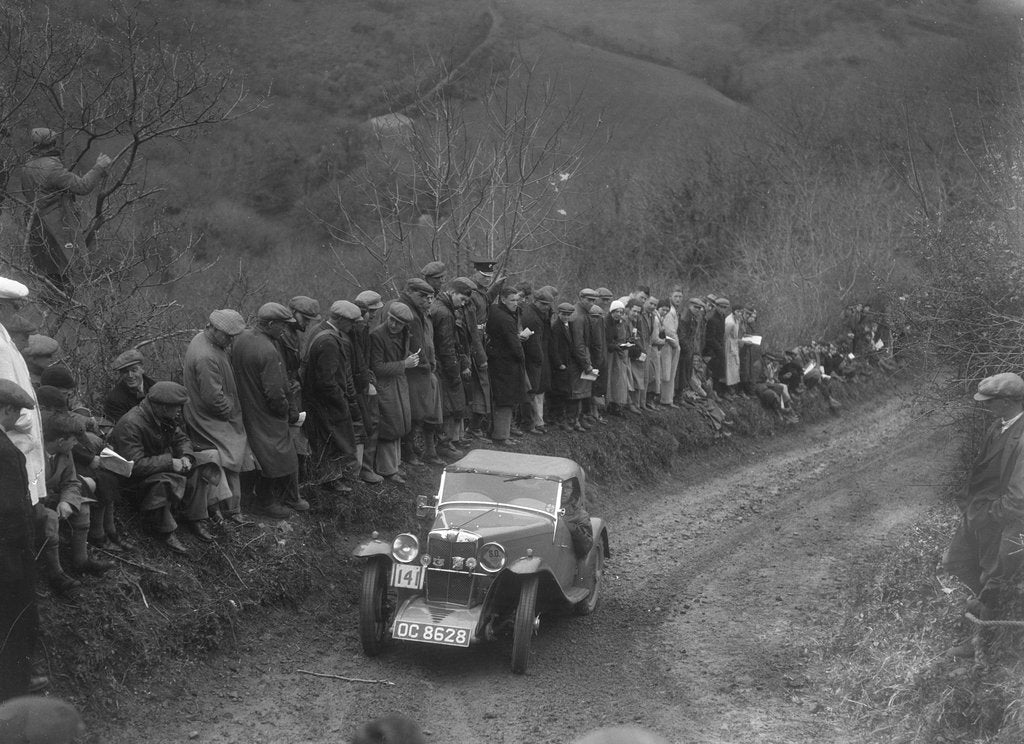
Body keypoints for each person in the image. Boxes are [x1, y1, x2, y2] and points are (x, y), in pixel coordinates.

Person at [943, 373, 1024, 657]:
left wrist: (988, 516)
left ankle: (983, 645)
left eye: (990, 402)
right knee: (954, 561)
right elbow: (980, 473)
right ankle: (987, 606)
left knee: (994, 579)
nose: (986, 406)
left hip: (1008, 520)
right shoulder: (998, 426)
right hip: (982, 512)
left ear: (1005, 402)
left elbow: (1018, 499)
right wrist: (969, 506)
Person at [111, 382, 220, 553]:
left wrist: (186, 457)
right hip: (135, 482)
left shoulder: (163, 417)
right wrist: (170, 462)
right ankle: (165, 531)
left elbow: (181, 439)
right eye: (176, 407)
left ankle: (195, 518)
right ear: (162, 407)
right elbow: (134, 466)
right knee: (164, 482)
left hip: (156, 467)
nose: (179, 411)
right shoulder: (130, 424)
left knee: (200, 465)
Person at [19, 127, 112, 291]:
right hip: (58, 225)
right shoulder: (51, 168)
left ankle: (54, 307)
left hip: (36, 226)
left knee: (51, 271)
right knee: (74, 268)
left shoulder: (27, 167)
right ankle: (75, 306)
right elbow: (83, 187)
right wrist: (99, 167)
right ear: (51, 144)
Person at [182, 309, 252, 526]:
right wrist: (229, 411)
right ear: (212, 328)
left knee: (230, 456)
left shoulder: (207, 341)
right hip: (211, 416)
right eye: (228, 335)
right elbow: (213, 398)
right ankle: (232, 511)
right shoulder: (206, 356)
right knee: (230, 458)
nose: (231, 340)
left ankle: (226, 509)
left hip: (211, 413)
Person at [231, 303, 301, 518]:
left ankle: (249, 498)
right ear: (270, 324)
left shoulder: (241, 338)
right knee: (277, 454)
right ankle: (267, 502)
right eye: (281, 326)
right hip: (265, 412)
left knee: (255, 455)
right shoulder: (268, 350)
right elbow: (275, 392)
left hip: (245, 407)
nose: (284, 330)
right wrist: (286, 412)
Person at [0, 380, 42, 700]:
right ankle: (15, 686)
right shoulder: (4, 451)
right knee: (16, 615)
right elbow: (12, 506)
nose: (17, 418)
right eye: (16, 411)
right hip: (9, 550)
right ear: (5, 409)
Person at [41, 411, 114, 575]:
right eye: (74, 440)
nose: (76, 444)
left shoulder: (64, 452)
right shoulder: (33, 455)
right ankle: (56, 573)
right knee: (50, 519)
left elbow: (72, 481)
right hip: (35, 502)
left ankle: (81, 561)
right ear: (60, 441)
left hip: (53, 496)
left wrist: (66, 501)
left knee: (82, 504)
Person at [303, 300, 364, 495]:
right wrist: (340, 401)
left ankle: (330, 479)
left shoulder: (318, 330)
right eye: (351, 322)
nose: (353, 326)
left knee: (327, 441)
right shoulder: (329, 340)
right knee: (331, 441)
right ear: (339, 320)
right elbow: (327, 381)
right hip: (326, 402)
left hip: (317, 400)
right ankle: (331, 481)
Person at [383, 278, 444, 466]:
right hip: (412, 370)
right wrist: (423, 363)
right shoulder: (404, 310)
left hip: (421, 369)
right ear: (409, 291)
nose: (427, 300)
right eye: (423, 296)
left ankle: (420, 451)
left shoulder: (419, 311)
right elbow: (411, 344)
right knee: (413, 413)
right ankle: (409, 453)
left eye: (430, 297)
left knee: (424, 411)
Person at [0, 279, 46, 513]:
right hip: (15, 438)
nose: (17, 312)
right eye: (14, 306)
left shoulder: (4, 337)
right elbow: (6, 393)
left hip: (20, 441)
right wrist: (26, 423)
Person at [369, 303, 417, 483]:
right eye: (391, 319)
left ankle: (394, 465)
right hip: (384, 386)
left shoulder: (404, 333)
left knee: (400, 423)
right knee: (389, 425)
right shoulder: (377, 335)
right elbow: (377, 367)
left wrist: (411, 357)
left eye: (399, 323)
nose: (394, 325)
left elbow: (400, 353)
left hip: (398, 383)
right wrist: (404, 364)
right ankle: (387, 469)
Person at [429, 278, 473, 455]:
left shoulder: (439, 307)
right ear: (452, 293)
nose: (462, 304)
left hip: (439, 363)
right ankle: (444, 444)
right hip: (443, 366)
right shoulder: (445, 313)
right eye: (461, 299)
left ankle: (445, 442)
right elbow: (446, 346)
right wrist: (455, 372)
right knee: (448, 406)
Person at [485, 285, 528, 445]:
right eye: (512, 300)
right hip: (506, 364)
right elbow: (514, 345)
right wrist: (522, 357)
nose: (516, 303)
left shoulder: (495, 311)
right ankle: (502, 436)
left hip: (497, 360)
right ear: (503, 299)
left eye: (517, 300)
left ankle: (501, 433)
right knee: (506, 400)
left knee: (502, 399)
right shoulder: (506, 318)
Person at [353, 290, 385, 484]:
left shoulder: (364, 330)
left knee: (372, 423)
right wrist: (367, 383)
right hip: (358, 387)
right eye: (370, 312)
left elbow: (365, 360)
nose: (373, 316)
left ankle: (366, 468)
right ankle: (362, 470)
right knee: (366, 425)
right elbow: (358, 361)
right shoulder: (357, 330)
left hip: (365, 382)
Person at [520, 286, 554, 433]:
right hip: (531, 360)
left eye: (548, 305)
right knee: (530, 391)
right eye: (543, 304)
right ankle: (528, 424)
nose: (546, 307)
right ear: (535, 301)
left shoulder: (537, 314)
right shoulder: (533, 317)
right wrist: (539, 358)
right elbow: (533, 343)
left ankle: (532, 423)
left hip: (534, 358)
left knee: (532, 391)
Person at [567, 289, 599, 431]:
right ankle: (573, 420)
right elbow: (578, 343)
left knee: (583, 390)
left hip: (583, 355)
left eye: (593, 300)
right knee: (577, 391)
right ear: (580, 298)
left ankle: (579, 419)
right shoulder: (577, 315)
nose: (591, 303)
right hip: (577, 359)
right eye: (589, 300)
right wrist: (585, 363)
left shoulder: (584, 313)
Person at [102, 348, 154, 423]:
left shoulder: (155, 388)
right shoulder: (114, 400)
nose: (130, 375)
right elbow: (123, 429)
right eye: (125, 372)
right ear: (121, 374)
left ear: (142, 369)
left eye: (134, 370)